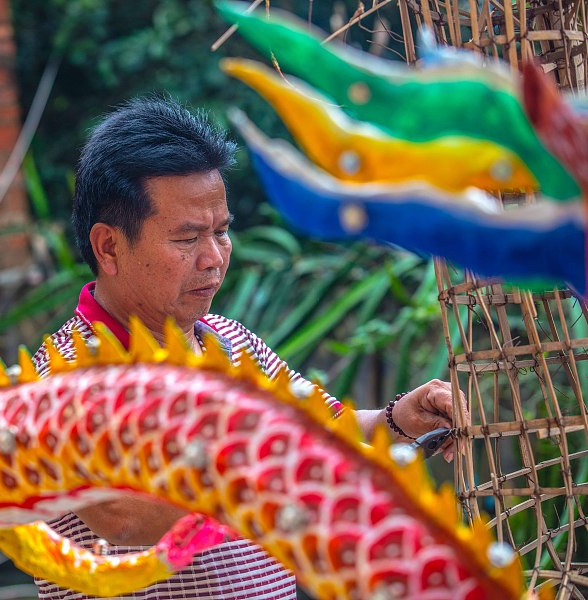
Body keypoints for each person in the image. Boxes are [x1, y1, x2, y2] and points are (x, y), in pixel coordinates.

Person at [31, 96, 461, 599]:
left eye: (221, 231)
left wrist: (399, 420)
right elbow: (124, 515)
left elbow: (328, 429)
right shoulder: (65, 376)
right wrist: (291, 474)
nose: (213, 258)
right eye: (187, 239)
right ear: (108, 246)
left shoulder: (232, 342)